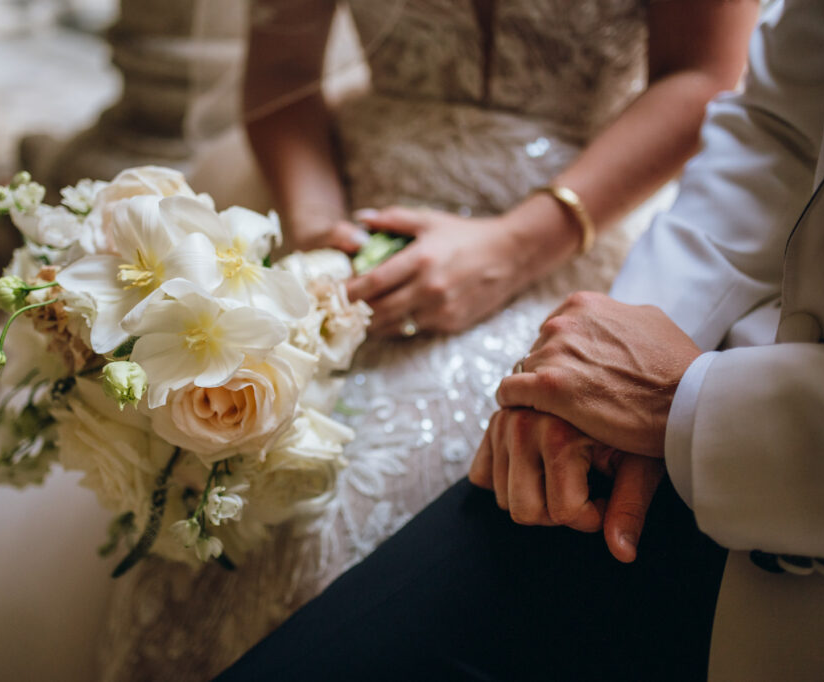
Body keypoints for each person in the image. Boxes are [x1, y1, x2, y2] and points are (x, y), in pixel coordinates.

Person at [92, 2, 758, 680]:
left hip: (582, 205)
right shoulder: (331, 229)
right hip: (356, 198)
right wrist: (323, 243)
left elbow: (705, 74)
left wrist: (516, 245)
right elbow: (284, 72)